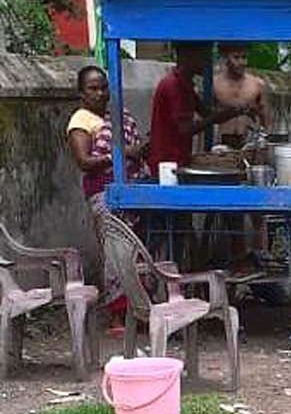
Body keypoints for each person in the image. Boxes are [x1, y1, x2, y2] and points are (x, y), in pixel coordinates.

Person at [66, 65, 147, 335]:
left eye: (103, 87)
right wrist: (122, 154)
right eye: (93, 88)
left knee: (135, 251)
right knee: (115, 253)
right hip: (104, 192)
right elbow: (84, 162)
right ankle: (117, 315)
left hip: (130, 190)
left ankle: (140, 309)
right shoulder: (81, 121)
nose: (100, 93)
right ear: (81, 93)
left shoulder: (117, 115)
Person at [148, 42, 251, 176]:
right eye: (205, 56)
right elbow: (185, 129)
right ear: (189, 56)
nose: (208, 61)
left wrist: (239, 110)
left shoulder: (185, 85)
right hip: (166, 166)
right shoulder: (173, 86)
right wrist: (214, 118)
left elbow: (207, 113)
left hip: (179, 161)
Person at [213, 42, 272, 263]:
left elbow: (267, 121)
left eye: (244, 57)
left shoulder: (257, 84)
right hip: (224, 151)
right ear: (226, 57)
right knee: (232, 210)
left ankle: (261, 254)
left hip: (251, 149)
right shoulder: (214, 84)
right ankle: (237, 257)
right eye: (237, 57)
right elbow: (204, 119)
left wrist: (263, 146)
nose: (241, 62)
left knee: (258, 207)